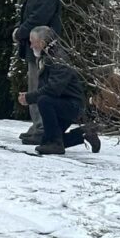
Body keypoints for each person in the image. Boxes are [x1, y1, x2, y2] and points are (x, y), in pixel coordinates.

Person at [18, 26, 100, 155]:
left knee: (44, 101)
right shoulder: (48, 55)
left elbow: (53, 89)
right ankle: (83, 134)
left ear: (42, 43)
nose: (30, 46)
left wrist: (29, 98)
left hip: (71, 105)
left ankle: (55, 144)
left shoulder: (58, 59)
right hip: (62, 102)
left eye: (32, 41)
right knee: (45, 141)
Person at [12, 0, 63, 145]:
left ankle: (42, 127)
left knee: (39, 85)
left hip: (42, 45)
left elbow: (38, 17)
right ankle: (38, 125)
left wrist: (20, 32)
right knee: (34, 83)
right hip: (36, 44)